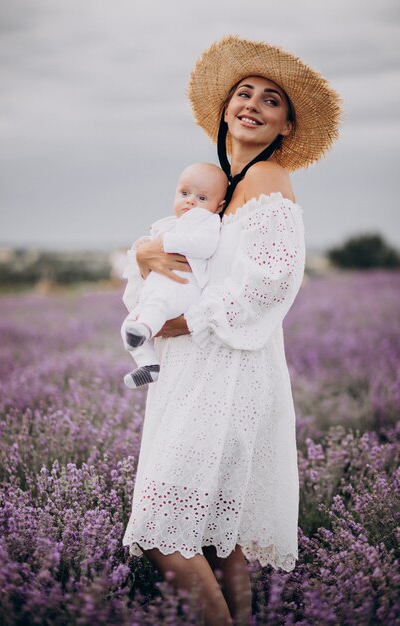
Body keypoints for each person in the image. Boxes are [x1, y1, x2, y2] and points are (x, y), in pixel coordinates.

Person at [121, 36, 342, 626]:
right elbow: (178, 260)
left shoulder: (268, 179)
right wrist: (143, 256)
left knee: (169, 531)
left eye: (271, 100)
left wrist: (182, 320)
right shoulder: (218, 185)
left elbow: (271, 281)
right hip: (196, 368)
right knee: (223, 535)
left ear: (286, 126)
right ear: (224, 108)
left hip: (228, 367)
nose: (253, 104)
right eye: (244, 93)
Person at [121, 162, 228, 389]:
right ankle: (148, 365)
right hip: (161, 288)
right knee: (129, 323)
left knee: (156, 307)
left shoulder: (207, 222)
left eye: (201, 198)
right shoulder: (170, 223)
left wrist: (167, 242)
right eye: (185, 193)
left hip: (183, 287)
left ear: (219, 206)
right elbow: (149, 248)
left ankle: (145, 329)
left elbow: (206, 246)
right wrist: (144, 246)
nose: (190, 201)